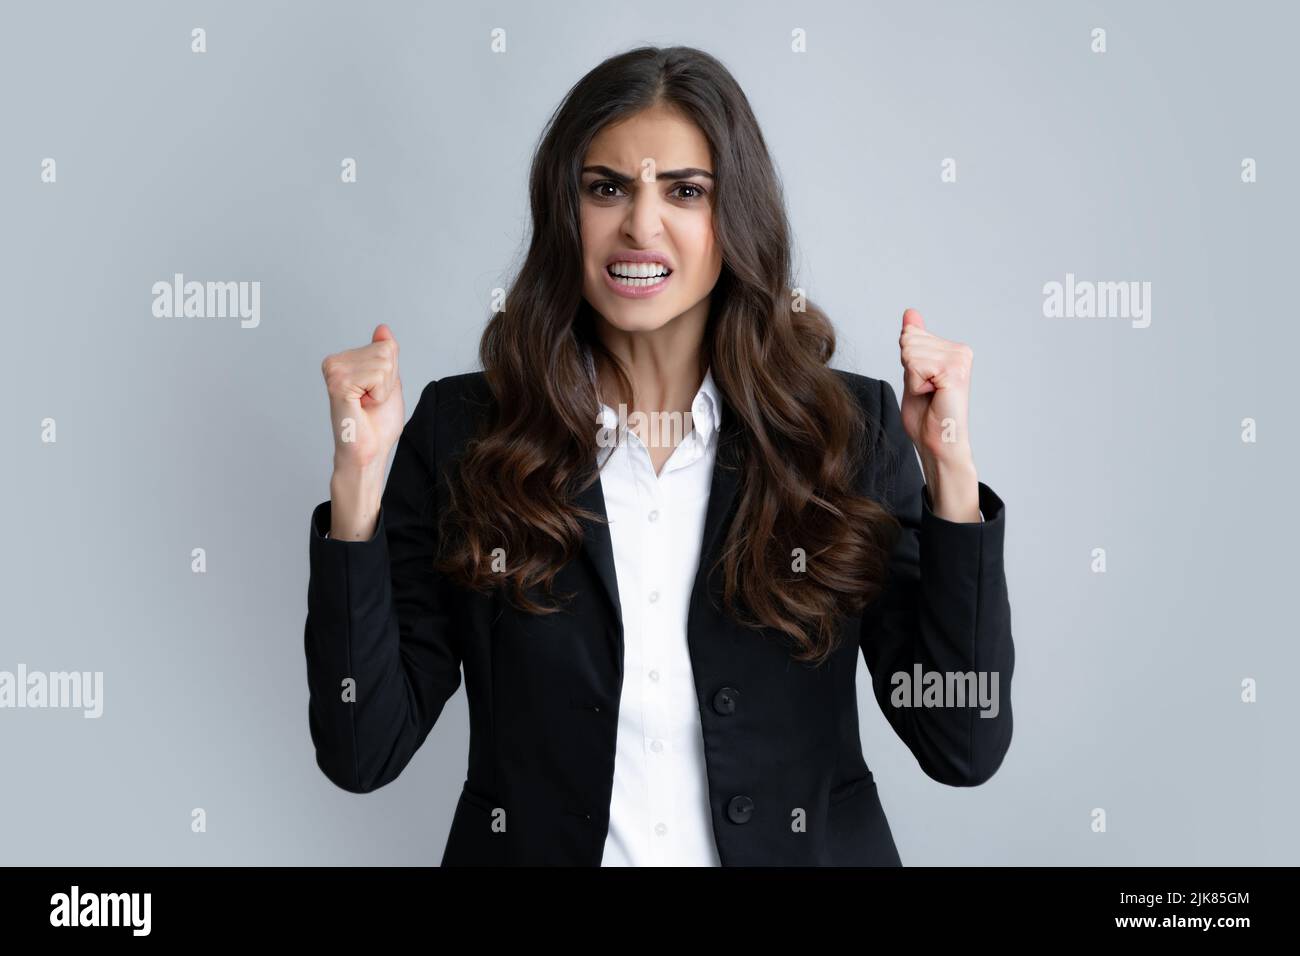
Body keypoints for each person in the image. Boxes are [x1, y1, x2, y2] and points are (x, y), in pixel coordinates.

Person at [305, 45, 1013, 866]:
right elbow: (364, 752)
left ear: (735, 216)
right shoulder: (464, 430)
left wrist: (950, 481)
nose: (641, 224)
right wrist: (358, 487)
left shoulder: (845, 431)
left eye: (685, 190)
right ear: (565, 213)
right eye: (607, 188)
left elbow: (961, 742)